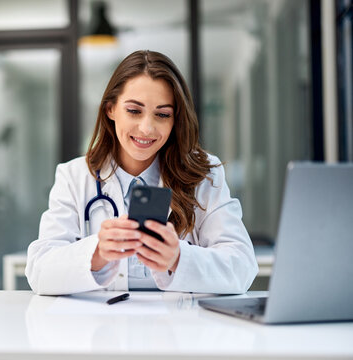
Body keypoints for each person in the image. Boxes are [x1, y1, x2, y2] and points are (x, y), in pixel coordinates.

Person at [25, 50, 258, 295]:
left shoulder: (204, 174)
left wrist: (179, 258)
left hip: (181, 328)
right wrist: (96, 253)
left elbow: (243, 266)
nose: (147, 128)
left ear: (175, 119)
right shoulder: (75, 176)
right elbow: (40, 271)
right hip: (102, 328)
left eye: (162, 114)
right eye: (134, 111)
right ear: (110, 110)